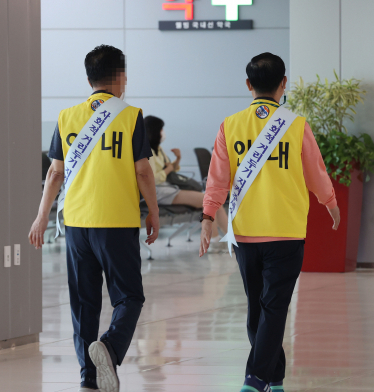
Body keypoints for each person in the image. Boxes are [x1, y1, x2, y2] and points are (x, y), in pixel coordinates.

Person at [200, 53, 341, 392]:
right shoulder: (295, 125)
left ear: (248, 85)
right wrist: (331, 203)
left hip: (245, 233)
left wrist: (207, 217)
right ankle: (257, 379)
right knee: (273, 308)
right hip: (286, 231)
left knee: (259, 309)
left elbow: (217, 180)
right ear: (284, 84)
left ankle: (273, 378)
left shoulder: (229, 125)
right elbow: (316, 172)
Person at [28, 45, 159, 392]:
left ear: (89, 79)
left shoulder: (67, 116)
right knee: (129, 296)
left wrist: (42, 217)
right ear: (120, 78)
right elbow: (143, 171)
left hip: (76, 222)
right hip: (116, 221)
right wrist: (154, 210)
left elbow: (54, 173)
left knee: (84, 302)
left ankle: (88, 377)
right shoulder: (131, 116)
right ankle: (111, 348)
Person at [144, 115, 228, 241]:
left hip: (168, 187)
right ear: (154, 131)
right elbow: (154, 179)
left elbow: (171, 168)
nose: (163, 132)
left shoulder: (158, 149)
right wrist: (169, 168)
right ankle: (217, 241)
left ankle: (228, 240)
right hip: (159, 191)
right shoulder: (146, 151)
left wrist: (177, 159)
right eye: (161, 129)